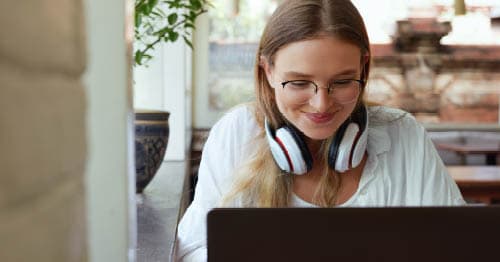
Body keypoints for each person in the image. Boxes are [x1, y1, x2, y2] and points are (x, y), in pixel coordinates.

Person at [175, 0, 465, 261]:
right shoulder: (236, 134)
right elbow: (193, 250)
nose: (321, 104)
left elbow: (459, 246)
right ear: (268, 71)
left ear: (363, 68)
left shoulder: (403, 135)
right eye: (299, 83)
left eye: (341, 82)